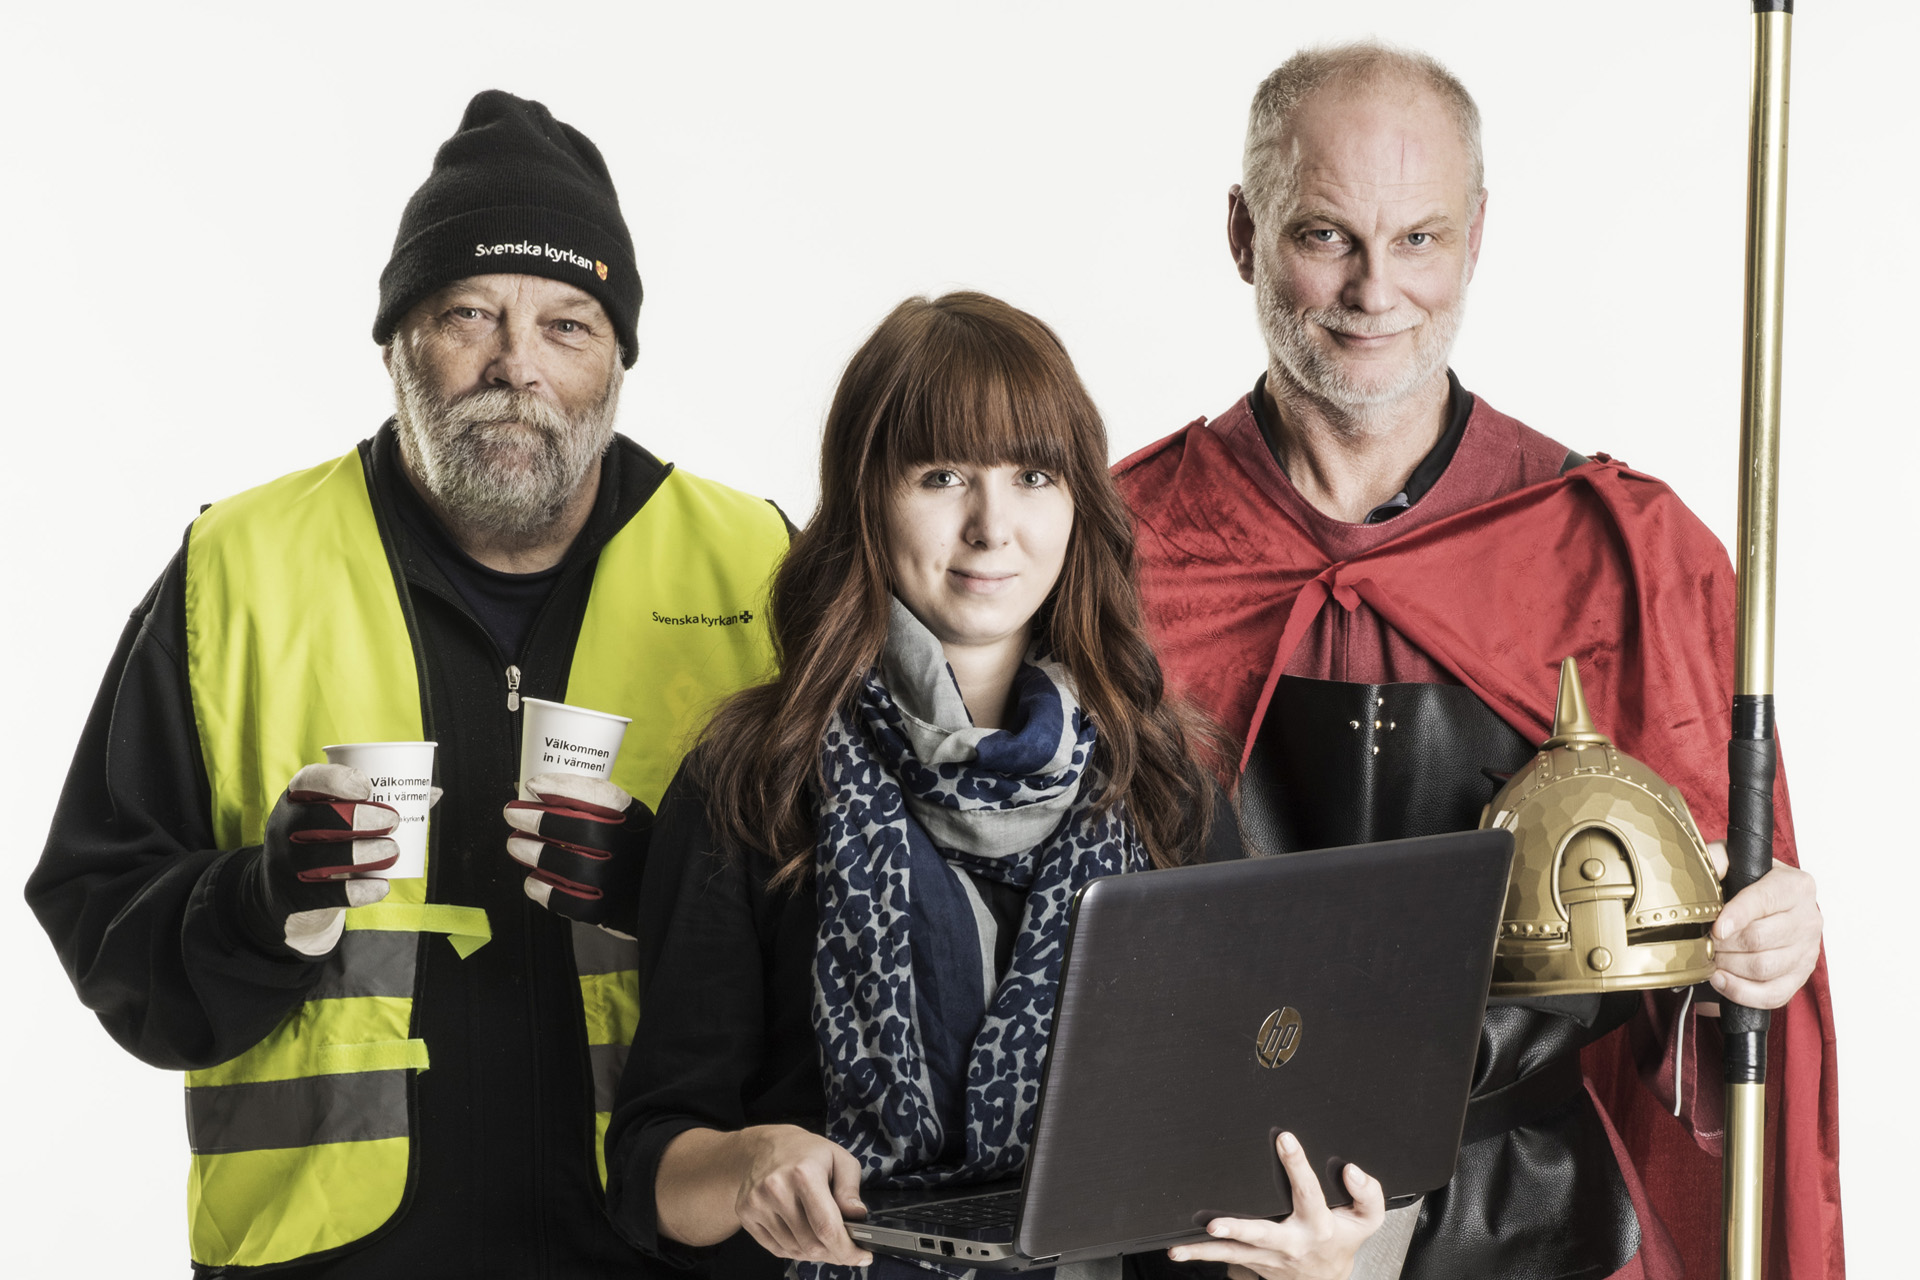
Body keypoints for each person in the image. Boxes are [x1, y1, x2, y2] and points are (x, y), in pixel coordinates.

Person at [25, 90, 789, 1276]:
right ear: (395, 342)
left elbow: (865, 927)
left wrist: (674, 888)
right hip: (332, 1256)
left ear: (619, 360)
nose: (514, 365)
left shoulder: (758, 564)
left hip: (668, 1249)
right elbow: (96, 912)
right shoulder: (240, 566)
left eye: (567, 324)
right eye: (466, 313)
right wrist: (260, 900)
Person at [1113, 42, 1841, 1280]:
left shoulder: (1622, 554)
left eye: (1419, 239)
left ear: (1478, 237)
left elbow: (1703, 948)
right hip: (1201, 1224)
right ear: (1243, 232)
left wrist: (1760, 942)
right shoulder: (1113, 548)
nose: (1372, 289)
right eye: (1324, 234)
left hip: (1532, 1227)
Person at [600, 292, 1384, 1280]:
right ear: (867, 497)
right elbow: (649, 1165)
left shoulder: (1162, 784)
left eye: (1033, 473)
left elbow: (1226, 1141)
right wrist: (751, 1159)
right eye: (940, 474)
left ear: (1076, 501)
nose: (992, 525)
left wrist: (1304, 1254)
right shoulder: (757, 774)